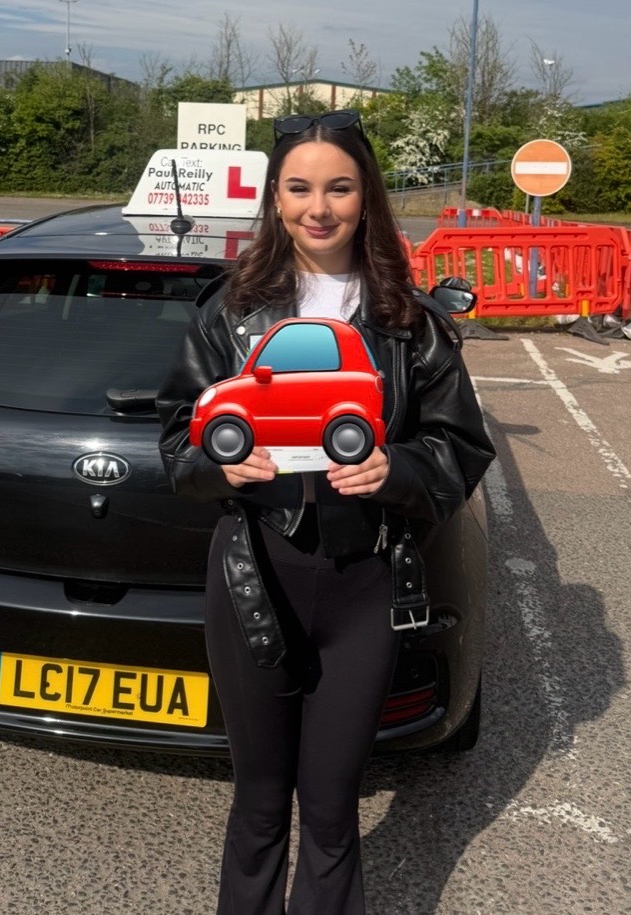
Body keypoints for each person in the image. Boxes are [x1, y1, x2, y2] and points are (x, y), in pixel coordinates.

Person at [157, 111, 495, 915]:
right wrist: (216, 463)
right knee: (261, 802)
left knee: (333, 809)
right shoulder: (228, 311)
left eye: (339, 187)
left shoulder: (408, 320)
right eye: (300, 187)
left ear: (365, 196)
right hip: (254, 572)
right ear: (275, 200)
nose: (319, 206)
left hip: (364, 581)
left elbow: (463, 443)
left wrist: (398, 467)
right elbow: (176, 437)